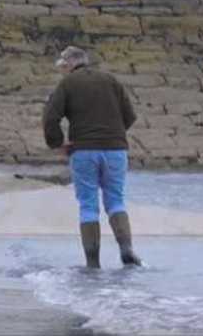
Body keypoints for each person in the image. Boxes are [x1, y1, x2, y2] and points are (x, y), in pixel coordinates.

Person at [43, 46, 141, 268]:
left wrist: (58, 143)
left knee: (88, 205)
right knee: (115, 200)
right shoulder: (111, 80)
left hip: (84, 150)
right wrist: (112, 135)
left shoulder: (68, 84)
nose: (62, 72)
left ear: (69, 64)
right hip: (116, 150)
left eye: (63, 67)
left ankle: (93, 264)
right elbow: (129, 116)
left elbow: (51, 117)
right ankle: (126, 249)